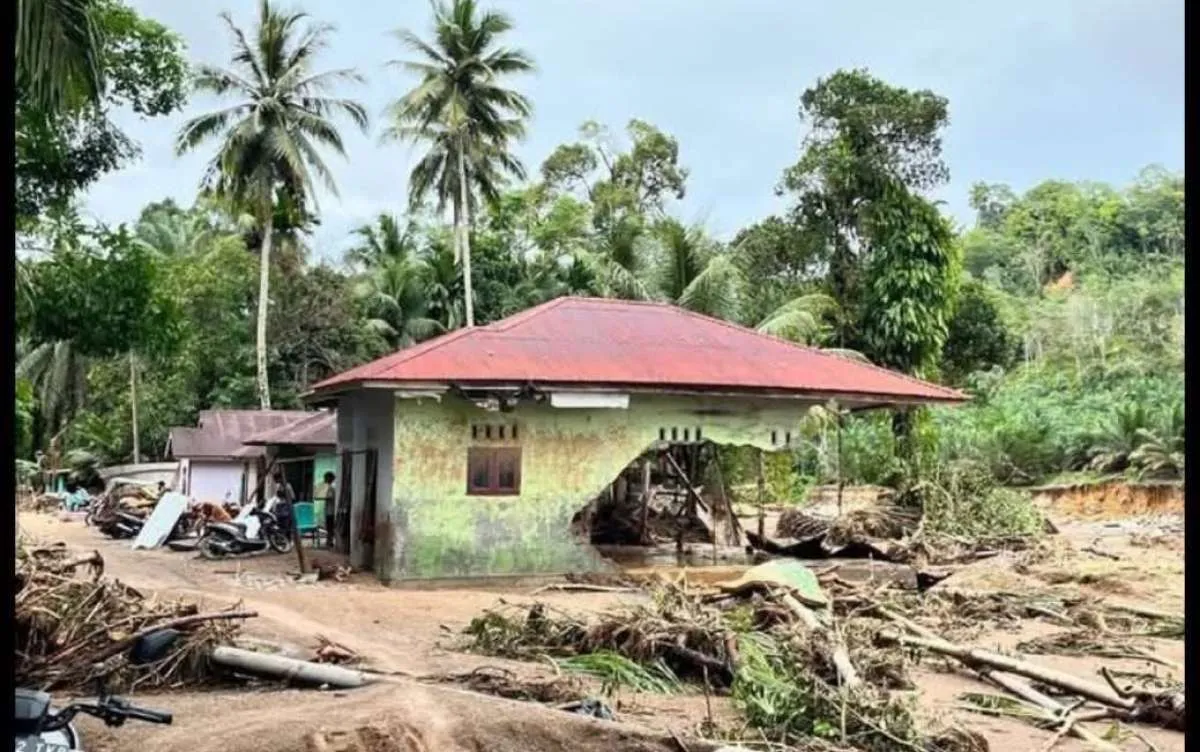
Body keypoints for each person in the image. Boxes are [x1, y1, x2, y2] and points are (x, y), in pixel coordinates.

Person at [270, 468, 296, 537]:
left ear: (280, 478)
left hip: (286, 508)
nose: (275, 481)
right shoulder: (279, 486)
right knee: (280, 524)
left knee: (286, 525)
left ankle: (287, 538)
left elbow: (292, 498)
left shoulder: (287, 486)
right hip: (281, 508)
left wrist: (285, 497)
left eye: (276, 479)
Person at [317, 472, 337, 547]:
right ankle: (329, 541)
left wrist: (321, 495)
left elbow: (329, 497)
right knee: (329, 528)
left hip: (331, 511)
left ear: (329, 478)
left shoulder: (331, 487)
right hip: (329, 510)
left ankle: (329, 542)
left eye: (325, 478)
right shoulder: (329, 487)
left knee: (330, 528)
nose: (324, 480)